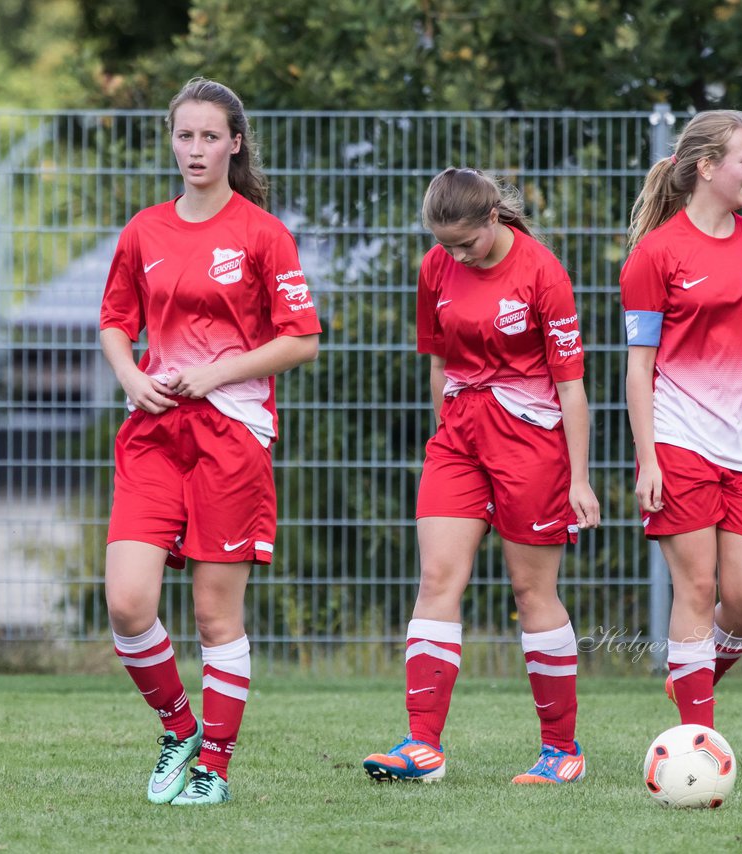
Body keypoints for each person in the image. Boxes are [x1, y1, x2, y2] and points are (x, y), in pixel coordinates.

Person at [99, 77, 321, 806]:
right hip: (153, 433)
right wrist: (131, 375)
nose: (195, 149)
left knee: (215, 614)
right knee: (129, 603)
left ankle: (214, 769)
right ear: (173, 142)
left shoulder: (262, 232)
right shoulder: (144, 231)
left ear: (235, 143)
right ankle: (178, 727)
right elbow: (113, 323)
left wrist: (215, 373)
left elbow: (301, 341)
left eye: (208, 136)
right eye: (184, 136)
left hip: (234, 437)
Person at [363, 167, 601, 785]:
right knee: (437, 577)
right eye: (444, 245)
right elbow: (440, 360)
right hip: (459, 436)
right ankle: (421, 746)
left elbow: (572, 390)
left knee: (531, 594)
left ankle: (561, 751)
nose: (455, 255)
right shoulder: (434, 267)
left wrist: (580, 478)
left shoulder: (543, 273)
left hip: (532, 442)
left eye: (465, 243)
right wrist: (442, 428)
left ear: (494, 218)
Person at [619, 110, 742, 730]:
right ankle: (694, 741)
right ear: (707, 167)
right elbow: (638, 368)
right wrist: (647, 455)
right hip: (680, 440)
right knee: (697, 589)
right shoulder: (655, 255)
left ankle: (690, 685)